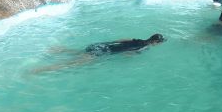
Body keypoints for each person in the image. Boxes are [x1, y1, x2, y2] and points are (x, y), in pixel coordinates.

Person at [32, 34, 165, 73]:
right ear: (156, 43)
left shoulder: (138, 39)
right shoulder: (144, 48)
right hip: (103, 52)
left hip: (102, 46)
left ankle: (57, 49)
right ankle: (41, 70)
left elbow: (120, 39)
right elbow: (127, 55)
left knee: (78, 53)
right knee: (72, 64)